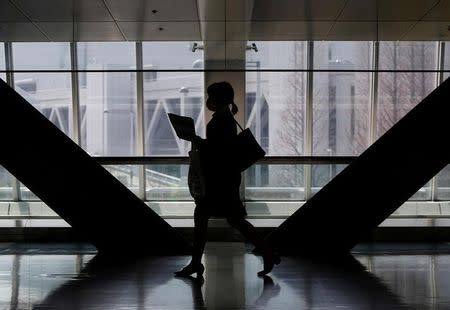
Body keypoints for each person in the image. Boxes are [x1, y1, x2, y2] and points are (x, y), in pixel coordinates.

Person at [174, 81, 280, 278]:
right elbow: (222, 150)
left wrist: (197, 141)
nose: (208, 100)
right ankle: (267, 252)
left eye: (211, 96)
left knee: (206, 216)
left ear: (218, 98)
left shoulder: (222, 121)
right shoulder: (226, 119)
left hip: (220, 181)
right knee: (232, 220)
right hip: (225, 180)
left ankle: (197, 263)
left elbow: (218, 152)